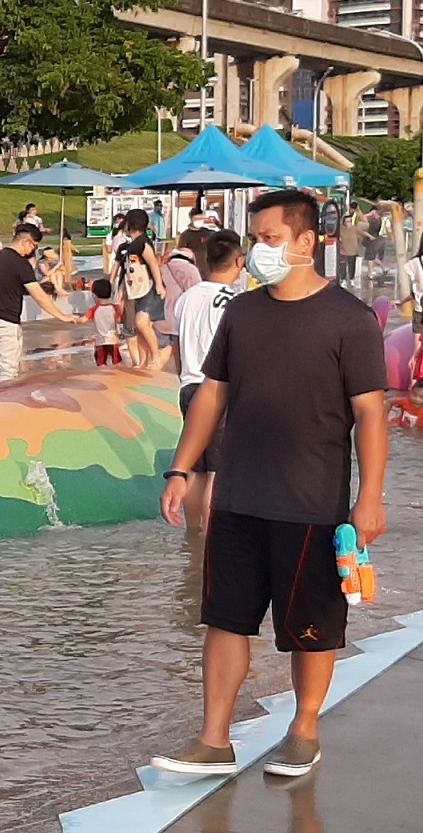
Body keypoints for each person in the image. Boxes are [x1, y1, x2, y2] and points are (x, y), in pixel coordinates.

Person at [153, 190, 387, 784]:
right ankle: (214, 740)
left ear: (308, 241)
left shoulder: (350, 320)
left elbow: (371, 415)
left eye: (271, 238)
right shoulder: (244, 314)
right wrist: (181, 468)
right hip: (237, 496)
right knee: (225, 620)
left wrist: (370, 497)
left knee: (311, 627)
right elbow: (212, 393)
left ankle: (304, 729)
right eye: (255, 238)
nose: (260, 249)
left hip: (310, 501)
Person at [168, 226, 246, 525]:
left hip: (189, 385)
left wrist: (184, 375)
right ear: (238, 262)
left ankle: (194, 532)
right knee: (219, 467)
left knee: (195, 465)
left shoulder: (188, 298)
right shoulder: (236, 300)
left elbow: (176, 345)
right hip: (220, 389)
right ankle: (213, 534)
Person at [0, 221, 77, 383]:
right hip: (6, 322)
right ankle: (3, 406)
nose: (33, 251)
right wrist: (62, 316)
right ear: (25, 241)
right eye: (34, 246)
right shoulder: (20, 264)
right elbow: (39, 296)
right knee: (8, 371)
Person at [113, 213, 169, 370]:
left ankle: (156, 355)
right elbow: (128, 271)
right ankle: (143, 362)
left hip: (150, 289)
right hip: (136, 290)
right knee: (140, 328)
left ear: (130, 225)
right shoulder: (133, 245)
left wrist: (159, 285)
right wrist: (123, 289)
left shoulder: (143, 243)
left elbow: (153, 263)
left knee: (141, 322)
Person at [88, 276, 124, 366]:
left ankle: (104, 378)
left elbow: (83, 319)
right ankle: (122, 377)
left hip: (100, 341)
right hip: (113, 340)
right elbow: (119, 319)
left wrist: (72, 318)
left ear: (94, 295)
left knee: (101, 364)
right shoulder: (114, 307)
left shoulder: (94, 309)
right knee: (117, 362)